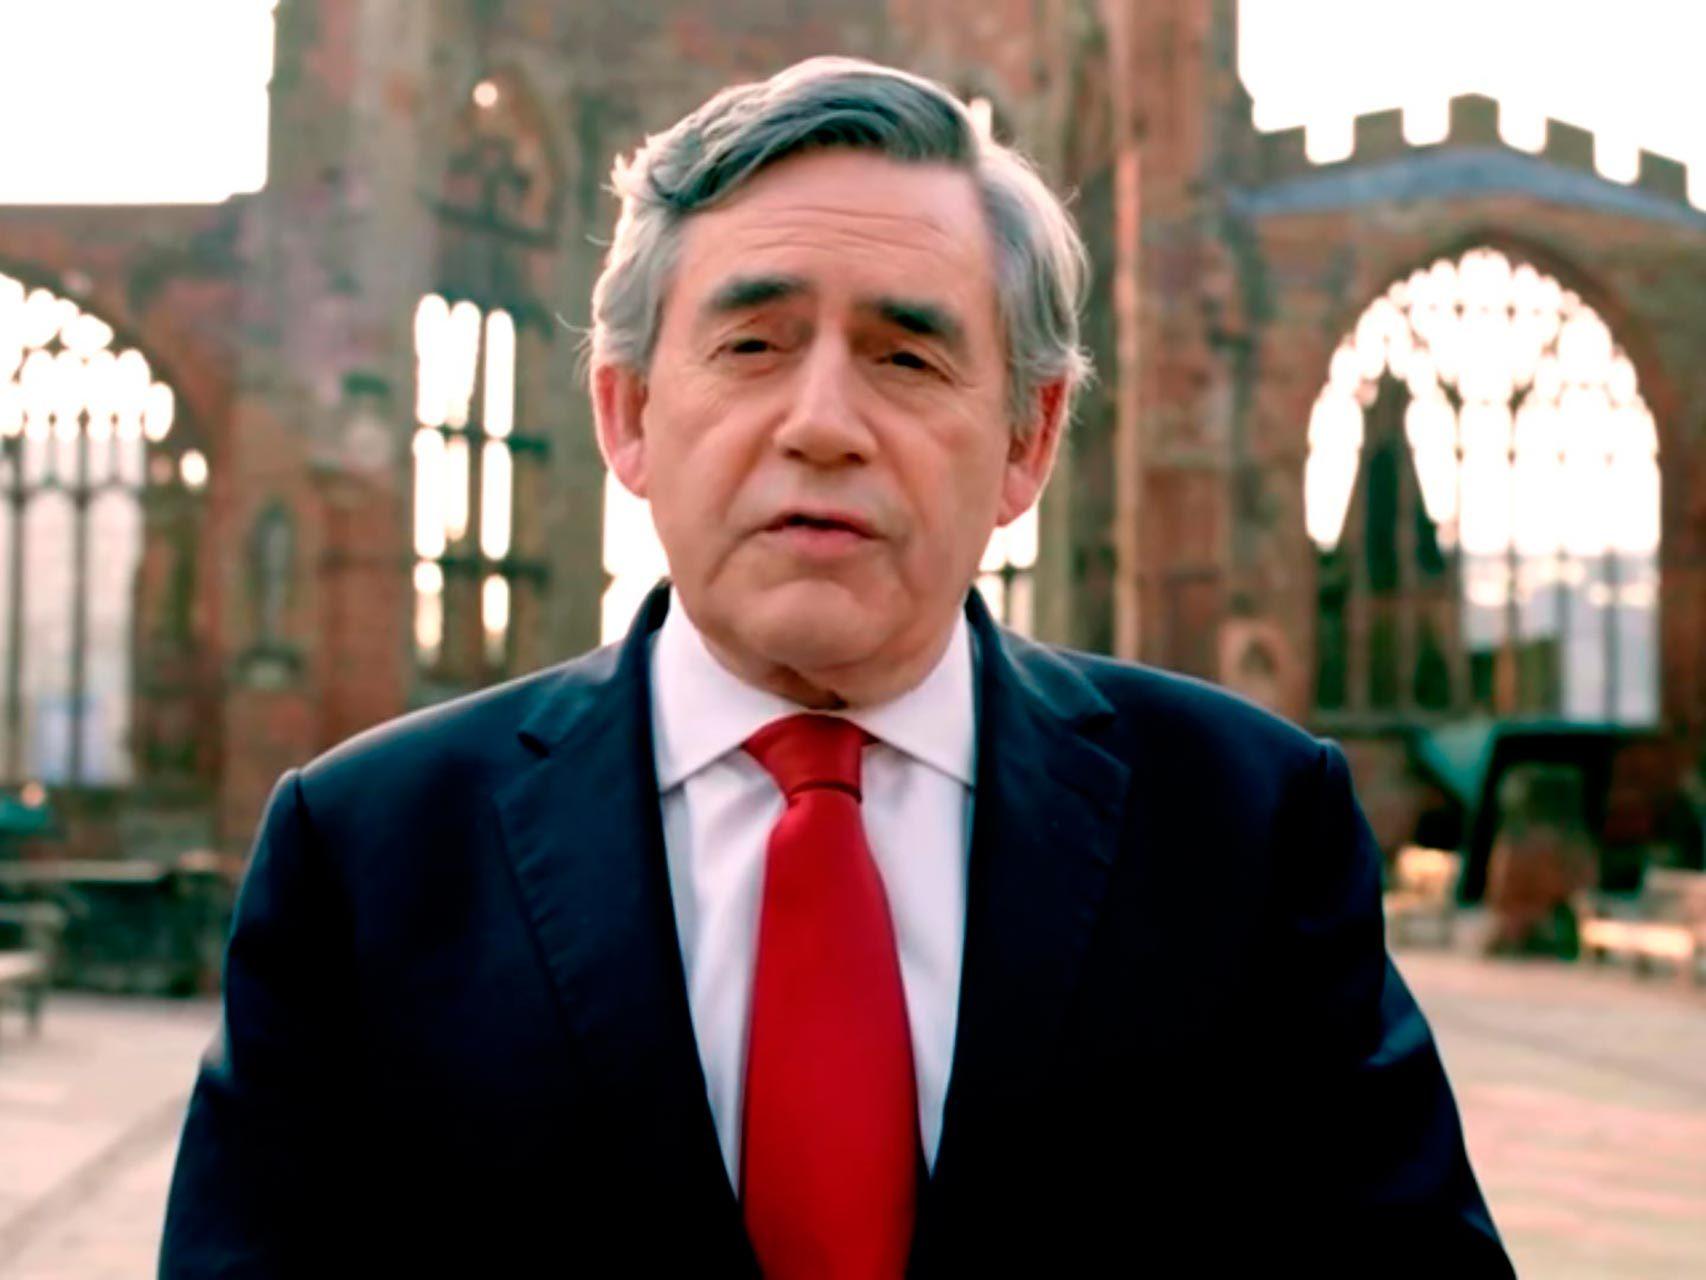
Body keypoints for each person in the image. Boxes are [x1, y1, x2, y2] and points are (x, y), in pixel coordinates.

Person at [160, 57, 1514, 1277]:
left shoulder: (1244, 824)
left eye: (906, 354)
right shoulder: (366, 852)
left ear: (1027, 440)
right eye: (751, 344)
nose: (822, 423)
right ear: (627, 414)